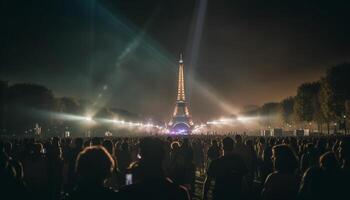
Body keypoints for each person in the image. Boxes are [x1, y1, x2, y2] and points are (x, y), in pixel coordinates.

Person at [119, 137, 190, 200]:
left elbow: (128, 186)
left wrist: (129, 177)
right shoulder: (180, 193)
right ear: (163, 158)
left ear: (141, 157)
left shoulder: (126, 192)